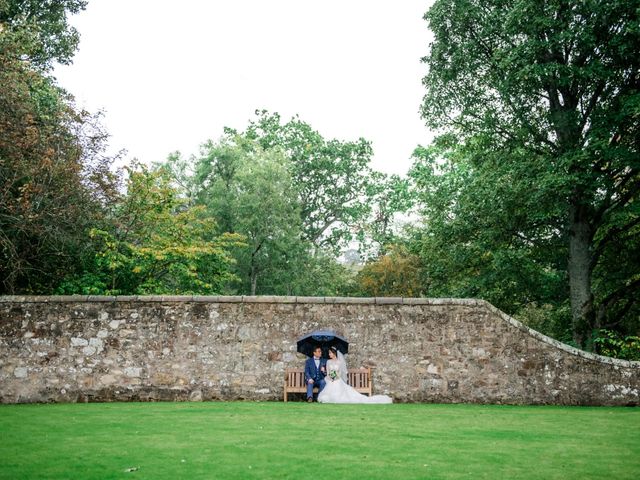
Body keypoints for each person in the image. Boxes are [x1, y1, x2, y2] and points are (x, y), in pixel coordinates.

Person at [318, 346, 392, 404]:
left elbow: (340, 373)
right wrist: (330, 377)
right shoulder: (328, 362)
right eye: (329, 353)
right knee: (329, 388)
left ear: (334, 353)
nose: (329, 354)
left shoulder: (339, 362)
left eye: (330, 353)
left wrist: (335, 377)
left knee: (337, 384)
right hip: (330, 379)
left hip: (337, 379)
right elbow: (328, 372)